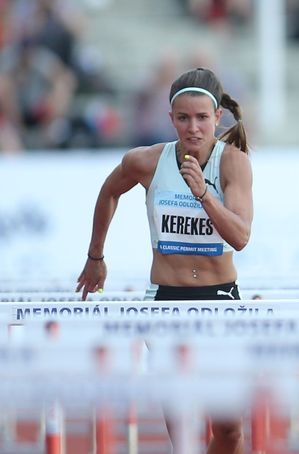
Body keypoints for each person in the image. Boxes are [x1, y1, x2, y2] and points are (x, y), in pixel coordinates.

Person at [76, 67, 253, 454]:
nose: (193, 128)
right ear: (170, 118)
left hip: (221, 298)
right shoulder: (148, 161)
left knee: (230, 434)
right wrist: (95, 257)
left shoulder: (233, 162)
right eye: (184, 118)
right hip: (166, 302)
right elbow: (108, 192)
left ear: (217, 117)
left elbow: (240, 237)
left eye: (202, 118)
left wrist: (204, 194)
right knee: (185, 437)